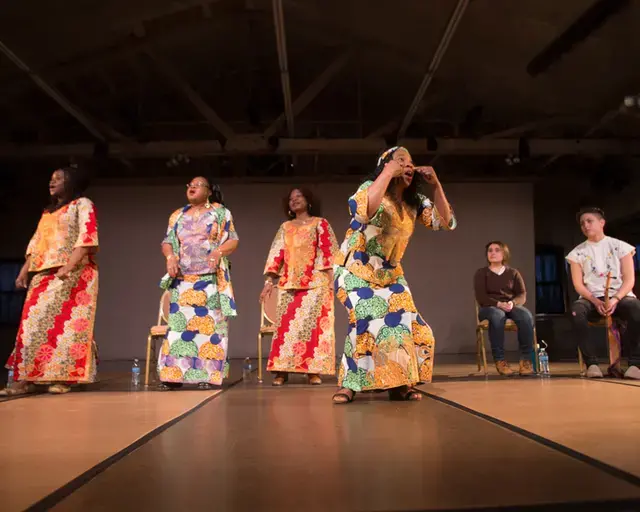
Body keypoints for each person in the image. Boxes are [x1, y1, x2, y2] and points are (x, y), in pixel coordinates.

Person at [331, 146, 456, 404]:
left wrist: (437, 186)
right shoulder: (371, 186)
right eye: (401, 161)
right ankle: (348, 384)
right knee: (365, 317)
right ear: (386, 164)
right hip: (355, 268)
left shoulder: (415, 202)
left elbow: (445, 222)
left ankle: (398, 383)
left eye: (411, 162)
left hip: (390, 274)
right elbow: (362, 210)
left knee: (406, 323)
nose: (408, 166)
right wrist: (388, 172)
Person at [1, 167, 99, 396]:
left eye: (58, 178)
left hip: (72, 273)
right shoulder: (48, 213)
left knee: (64, 327)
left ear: (72, 182)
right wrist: (24, 271)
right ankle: (25, 378)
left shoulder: (82, 204)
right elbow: (36, 246)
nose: (51, 182)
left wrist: (69, 266)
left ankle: (62, 377)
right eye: (51, 178)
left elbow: (87, 238)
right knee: (31, 326)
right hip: (43, 274)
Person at [158, 177, 239, 390]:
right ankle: (173, 375)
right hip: (183, 280)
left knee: (210, 329)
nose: (192, 187)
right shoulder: (177, 215)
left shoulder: (220, 213)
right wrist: (170, 257)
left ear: (209, 191)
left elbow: (233, 239)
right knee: (178, 329)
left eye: (198, 184)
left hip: (209, 279)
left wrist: (218, 251)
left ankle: (208, 374)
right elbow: (167, 242)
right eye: (189, 184)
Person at [260, 187, 338, 386]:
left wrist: (333, 282)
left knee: (312, 331)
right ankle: (282, 371)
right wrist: (269, 281)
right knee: (286, 331)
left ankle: (312, 371)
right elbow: (276, 254)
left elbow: (329, 253)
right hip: (289, 284)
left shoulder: (320, 223)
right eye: (291, 198)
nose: (294, 200)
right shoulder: (285, 227)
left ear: (309, 200)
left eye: (299, 197)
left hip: (316, 284)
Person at [566, 207, 640, 380]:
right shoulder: (577, 253)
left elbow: (629, 280)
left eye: (589, 221)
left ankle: (635, 364)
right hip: (591, 298)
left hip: (620, 296)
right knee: (577, 311)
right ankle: (591, 363)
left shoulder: (621, 247)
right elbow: (578, 284)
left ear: (601, 223)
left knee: (636, 308)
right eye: (582, 223)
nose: (585, 225)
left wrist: (615, 299)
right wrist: (595, 301)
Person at [474, 241, 535, 376]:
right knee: (497, 315)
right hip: (489, 308)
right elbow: (481, 296)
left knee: (525, 315)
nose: (493, 253)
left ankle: (526, 360)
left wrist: (512, 303)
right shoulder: (481, 273)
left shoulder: (513, 273)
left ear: (504, 253)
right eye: (490, 250)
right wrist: (498, 304)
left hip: (510, 306)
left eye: (497, 250)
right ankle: (500, 360)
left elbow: (522, 294)